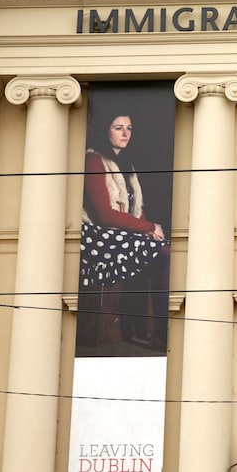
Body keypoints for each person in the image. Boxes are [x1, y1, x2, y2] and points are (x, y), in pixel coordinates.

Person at [78, 113, 170, 352]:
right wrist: (149, 228)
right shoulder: (93, 160)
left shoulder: (126, 165)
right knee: (163, 254)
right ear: (105, 131)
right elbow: (105, 214)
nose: (125, 133)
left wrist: (150, 230)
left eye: (129, 128)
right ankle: (157, 333)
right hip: (96, 235)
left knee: (165, 249)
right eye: (118, 128)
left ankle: (150, 329)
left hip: (120, 233)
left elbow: (136, 210)